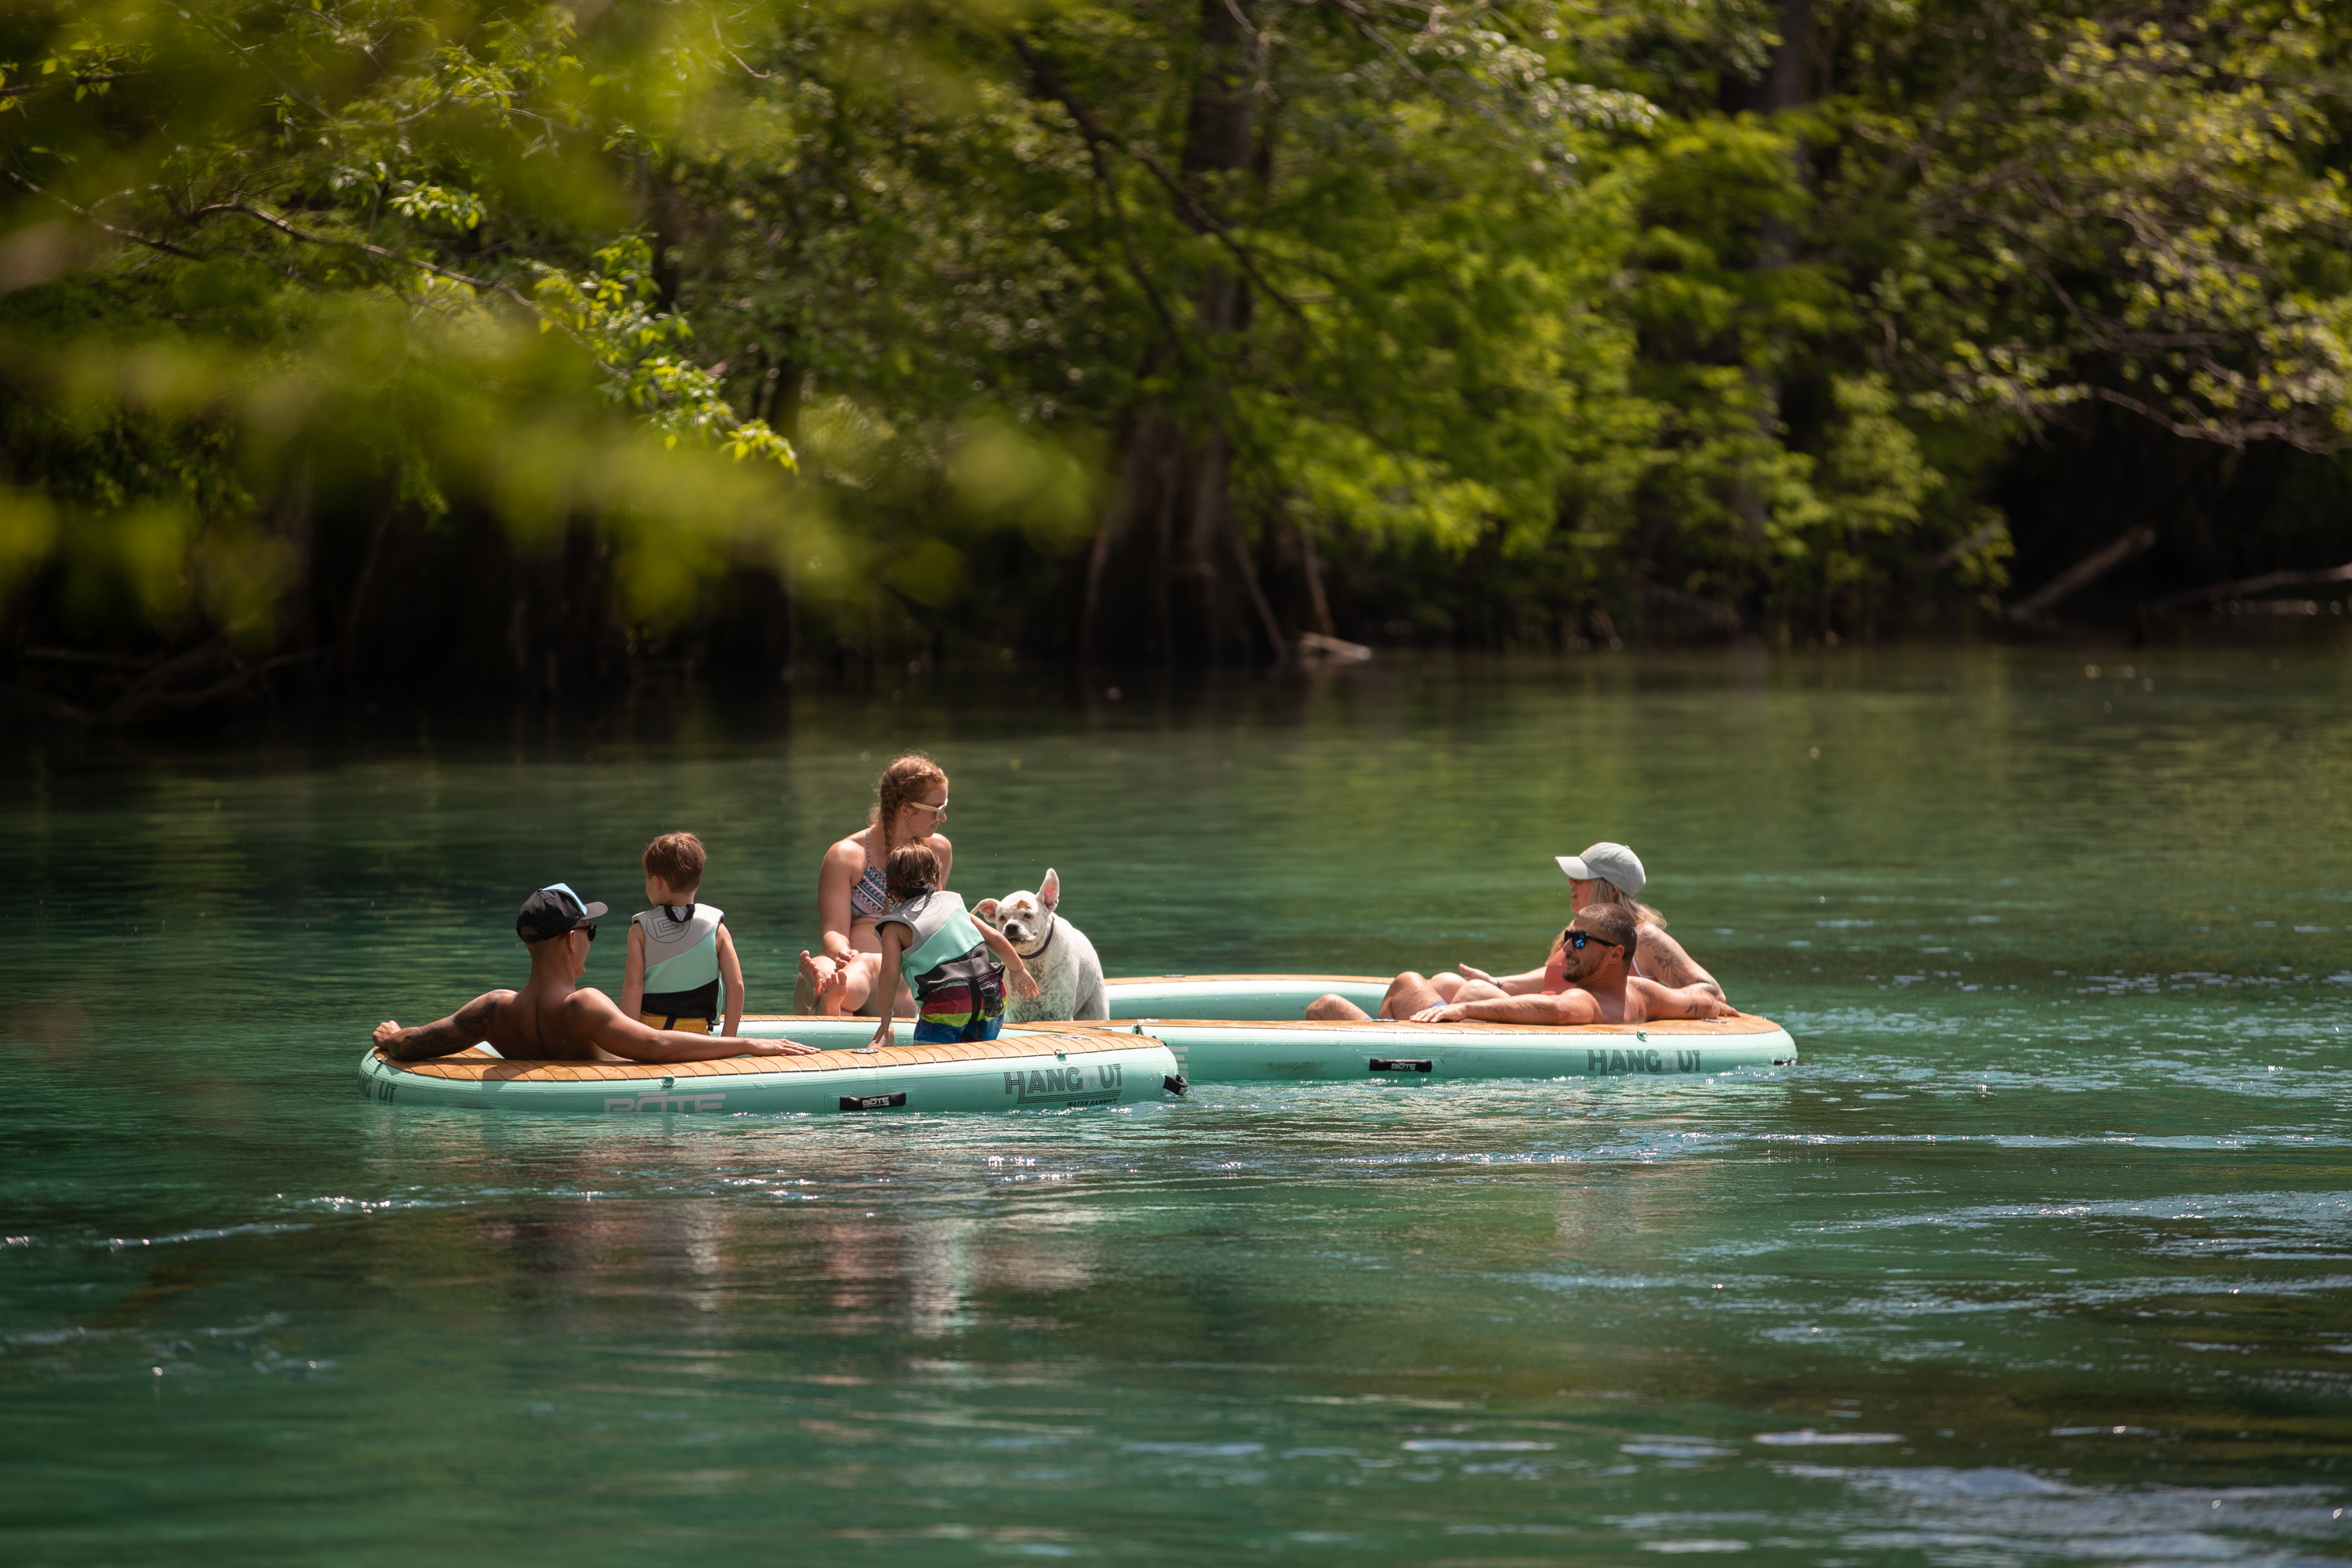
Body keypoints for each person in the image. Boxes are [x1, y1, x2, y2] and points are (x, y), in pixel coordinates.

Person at [372, 884, 815, 1063]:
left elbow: (414, 1044)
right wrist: (749, 1043)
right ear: (570, 938)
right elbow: (656, 1043)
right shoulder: (583, 1006)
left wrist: (393, 1034)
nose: (591, 938)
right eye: (591, 930)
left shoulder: (494, 1010)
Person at [1305, 906, 1736, 1025]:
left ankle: (1376, 1042)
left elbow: (1559, 1010)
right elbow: (1697, 1000)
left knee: (1398, 984)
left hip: (1439, 1046)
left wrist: (1465, 1008)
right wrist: (1721, 1009)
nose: (1567, 946)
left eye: (1579, 940)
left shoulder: (1587, 1003)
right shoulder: (1641, 995)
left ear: (1615, 954)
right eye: (1568, 936)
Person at [1427, 841, 1725, 1004]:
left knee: (1473, 994)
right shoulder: (1581, 928)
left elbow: (1711, 990)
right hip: (1550, 1014)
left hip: (1578, 1024)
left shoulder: (1643, 938)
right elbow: (1553, 975)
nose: (1571, 881)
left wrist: (1641, 994)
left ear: (1610, 890)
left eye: (1582, 877)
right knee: (1445, 982)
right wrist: (1498, 982)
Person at [796, 753, 953, 1017]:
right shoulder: (846, 855)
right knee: (823, 970)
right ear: (905, 809)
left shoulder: (938, 851)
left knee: (867, 969)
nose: (943, 817)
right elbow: (834, 929)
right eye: (938, 809)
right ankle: (827, 998)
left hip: (897, 972)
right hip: (848, 963)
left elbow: (931, 927)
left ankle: (831, 1002)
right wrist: (843, 953)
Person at [868, 843, 1038, 1047]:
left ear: (892, 887)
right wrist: (1017, 969)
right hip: (991, 993)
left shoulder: (894, 926)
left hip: (948, 1002)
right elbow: (993, 936)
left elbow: (889, 974)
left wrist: (886, 1017)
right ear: (935, 876)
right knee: (980, 1051)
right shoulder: (954, 903)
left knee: (930, 1058)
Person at [619, 832, 746, 1036]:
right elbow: (736, 986)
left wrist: (629, 1042)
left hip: (652, 1034)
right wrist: (727, 1041)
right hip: (698, 1036)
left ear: (656, 883)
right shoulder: (717, 929)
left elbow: (634, 988)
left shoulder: (640, 930)